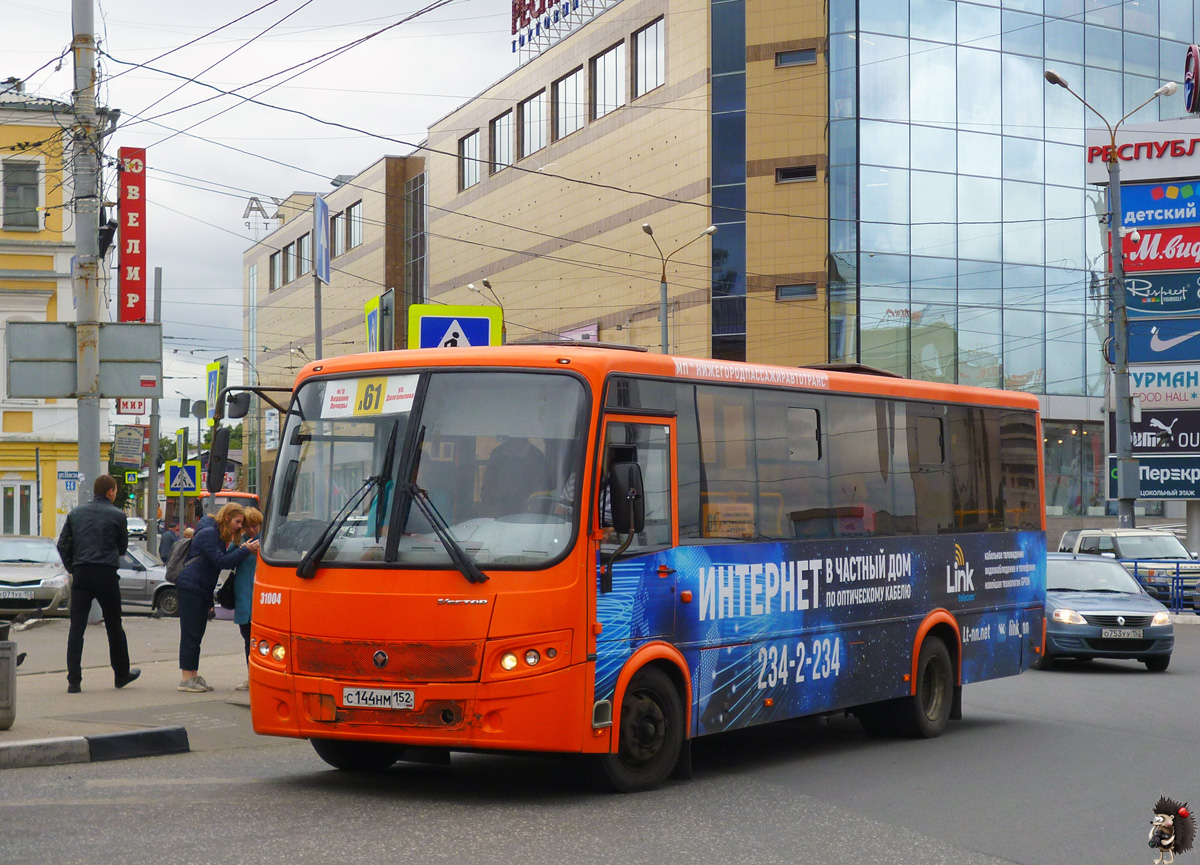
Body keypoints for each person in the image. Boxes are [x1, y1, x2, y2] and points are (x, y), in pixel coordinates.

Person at [57, 474, 141, 693]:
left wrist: (73, 567)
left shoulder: (76, 513)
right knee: (114, 625)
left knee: (77, 628)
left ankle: (73, 680)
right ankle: (121, 674)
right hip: (106, 574)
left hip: (82, 574)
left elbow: (62, 544)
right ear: (110, 492)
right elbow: (122, 548)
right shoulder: (117, 515)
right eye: (115, 491)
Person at [175, 503, 259, 692]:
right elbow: (221, 561)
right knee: (190, 633)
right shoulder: (209, 534)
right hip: (192, 587)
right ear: (228, 517)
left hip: (201, 588)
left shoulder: (214, 532)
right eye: (238, 522)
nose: (239, 526)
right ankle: (186, 679)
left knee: (197, 633)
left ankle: (193, 676)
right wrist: (245, 550)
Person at [230, 507, 263, 691]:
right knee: (247, 640)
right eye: (247, 527)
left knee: (261, 642)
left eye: (255, 526)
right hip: (244, 600)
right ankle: (251, 677)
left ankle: (260, 678)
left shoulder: (267, 543)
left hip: (262, 599)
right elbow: (227, 559)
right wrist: (241, 548)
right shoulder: (240, 542)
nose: (251, 530)